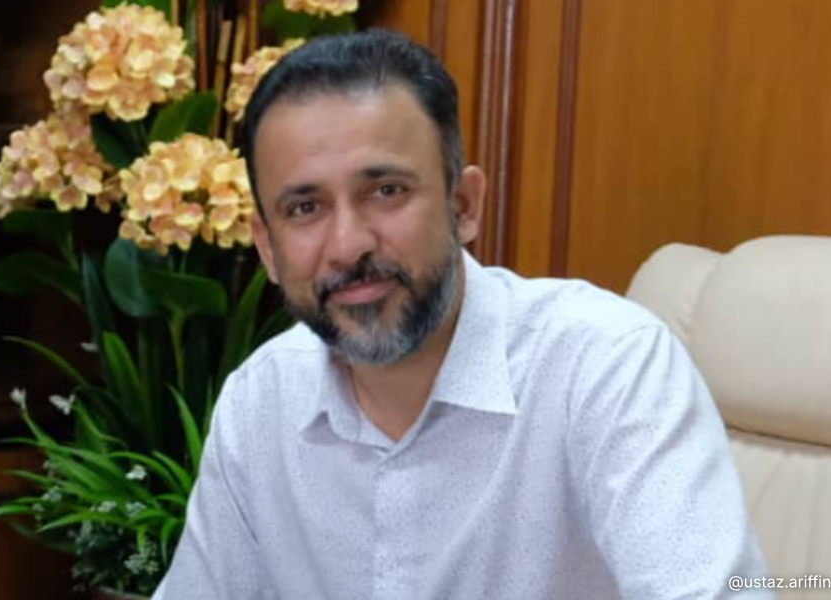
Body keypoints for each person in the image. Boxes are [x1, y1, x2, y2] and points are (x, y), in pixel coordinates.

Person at [153, 30, 771, 599]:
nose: (348, 246)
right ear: (268, 248)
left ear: (464, 205)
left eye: (386, 191)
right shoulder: (261, 401)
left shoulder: (606, 366)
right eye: (305, 208)